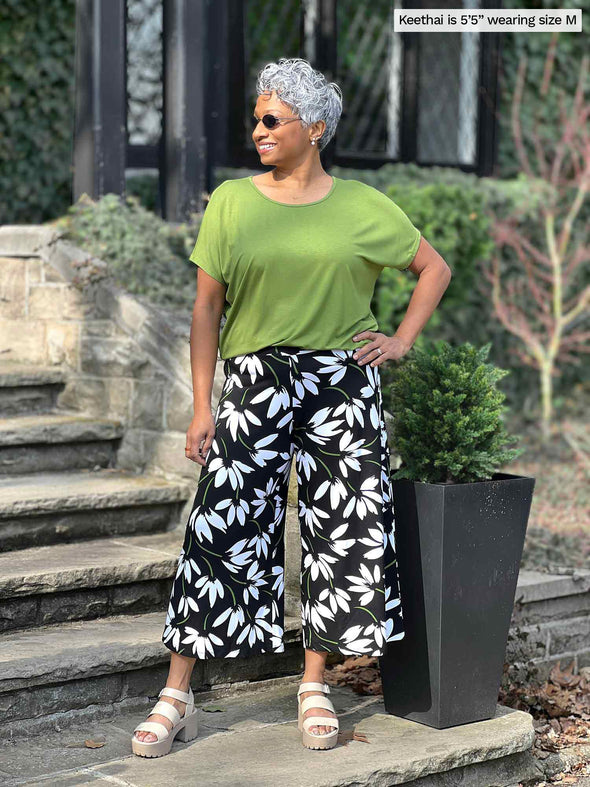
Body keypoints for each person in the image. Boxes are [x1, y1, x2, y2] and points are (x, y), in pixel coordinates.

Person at [132, 56, 452, 757]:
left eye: (271, 119)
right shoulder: (232, 203)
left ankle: (314, 682)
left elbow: (435, 267)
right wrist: (200, 403)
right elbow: (207, 308)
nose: (258, 130)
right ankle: (177, 692)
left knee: (345, 530)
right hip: (253, 381)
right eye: (256, 118)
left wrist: (400, 339)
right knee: (221, 526)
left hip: (341, 384)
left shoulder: (366, 206)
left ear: (316, 126)